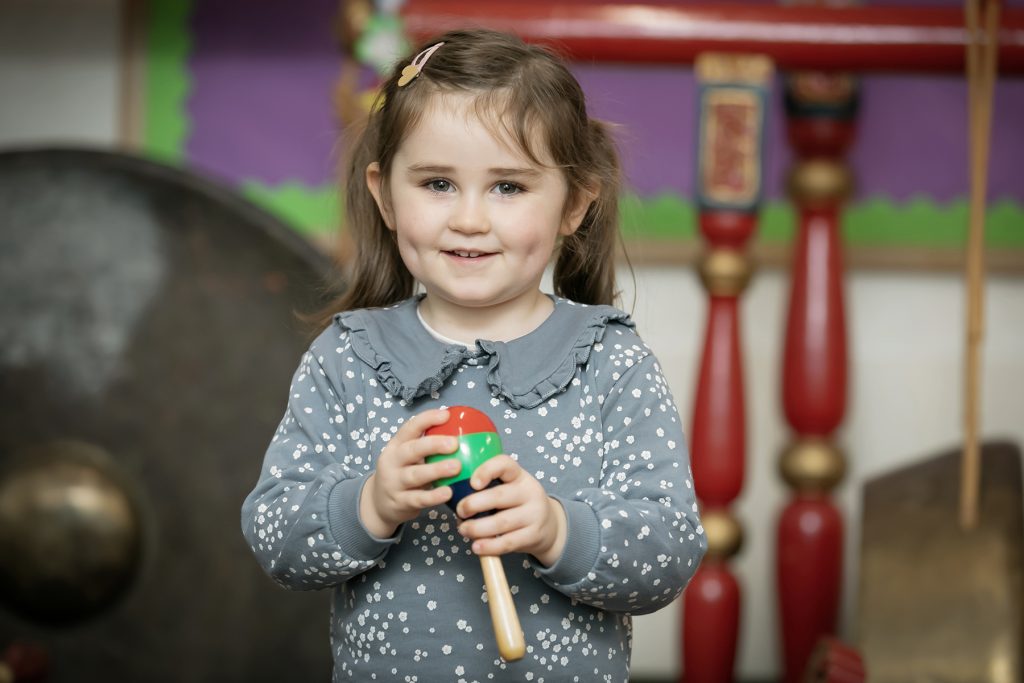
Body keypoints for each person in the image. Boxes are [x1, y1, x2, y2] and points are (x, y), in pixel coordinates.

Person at [241, 28, 706, 683]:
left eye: (508, 187)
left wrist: (554, 527)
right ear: (384, 194)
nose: (469, 218)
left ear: (574, 202)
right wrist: (371, 504)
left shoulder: (610, 362)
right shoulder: (345, 359)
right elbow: (275, 535)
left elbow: (670, 550)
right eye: (437, 182)